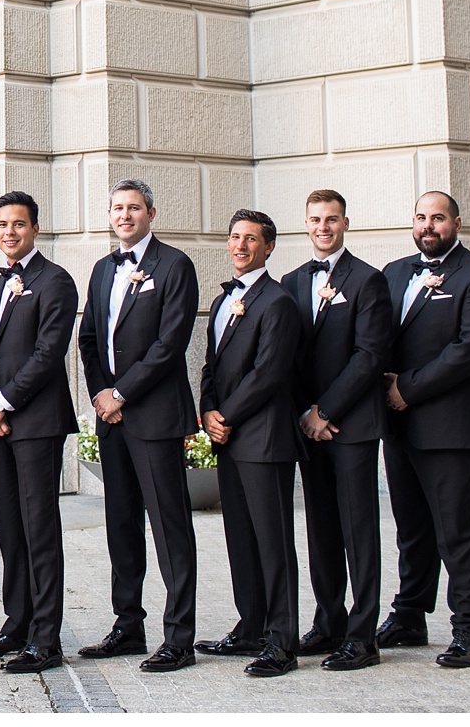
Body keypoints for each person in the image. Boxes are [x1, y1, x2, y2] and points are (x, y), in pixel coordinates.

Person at [377, 191, 470, 670]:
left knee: (460, 532)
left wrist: (406, 388)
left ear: (456, 222)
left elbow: (469, 349)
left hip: (454, 427)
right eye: (421, 217)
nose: (428, 225)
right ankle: (410, 616)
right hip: (399, 425)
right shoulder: (393, 273)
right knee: (411, 530)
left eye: (438, 217)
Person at [73, 178, 201, 673]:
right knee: (121, 525)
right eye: (117, 208)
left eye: (134, 208)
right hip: (113, 419)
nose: (125, 215)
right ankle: (128, 625)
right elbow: (88, 340)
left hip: (153, 416)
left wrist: (122, 393)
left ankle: (180, 638)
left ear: (151, 212)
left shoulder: (175, 266)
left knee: (170, 528)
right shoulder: (104, 269)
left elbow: (170, 344)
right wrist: (103, 395)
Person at [281, 189, 392, 672]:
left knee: (358, 528)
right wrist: (304, 413)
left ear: (346, 222)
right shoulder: (289, 281)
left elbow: (369, 356)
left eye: (331, 219)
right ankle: (328, 621)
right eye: (314, 220)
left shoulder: (368, 280)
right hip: (308, 426)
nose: (323, 227)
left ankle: (362, 635)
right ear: (305, 225)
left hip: (351, 424)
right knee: (321, 527)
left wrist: (325, 411)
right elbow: (286, 355)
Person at [0, 190, 77, 674]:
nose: (9, 232)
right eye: (2, 225)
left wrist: (6, 402)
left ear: (35, 228)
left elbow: (49, 353)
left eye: (18, 224)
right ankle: (18, 620)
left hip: (37, 424)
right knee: (8, 526)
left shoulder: (55, 282)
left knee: (39, 528)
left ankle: (46, 639)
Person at [197, 209, 302, 678]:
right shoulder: (223, 302)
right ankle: (251, 627)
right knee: (240, 537)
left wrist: (228, 416)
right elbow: (210, 367)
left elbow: (268, 374)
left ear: (269, 247)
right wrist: (207, 413)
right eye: (235, 236)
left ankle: (282, 641)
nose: (240, 246)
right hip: (229, 438)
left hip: (263, 438)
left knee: (272, 541)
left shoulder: (276, 302)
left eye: (251, 239)